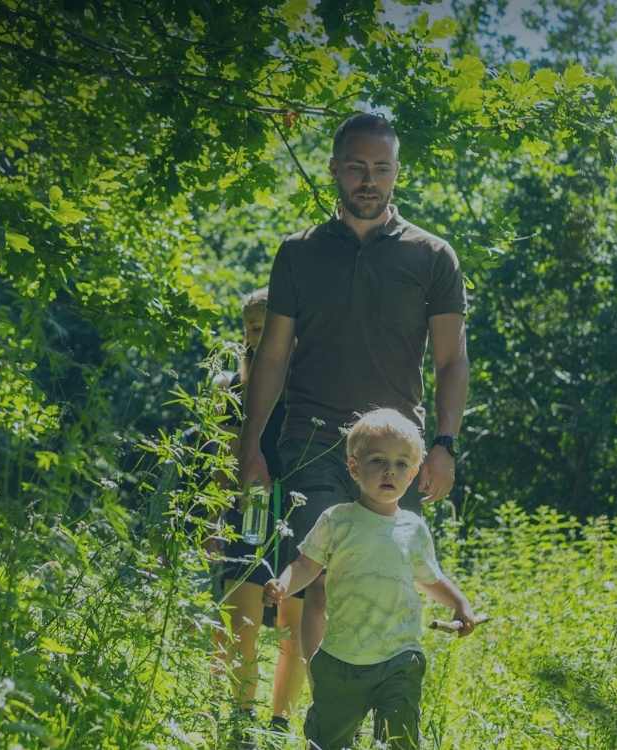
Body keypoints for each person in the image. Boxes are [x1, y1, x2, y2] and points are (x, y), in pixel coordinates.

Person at [238, 112, 471, 668]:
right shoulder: (298, 252)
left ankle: (375, 702)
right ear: (335, 170)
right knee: (319, 578)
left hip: (395, 448)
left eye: (382, 169)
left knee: (386, 582)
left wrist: (444, 443)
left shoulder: (432, 256)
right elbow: (271, 357)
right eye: (358, 168)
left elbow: (451, 358)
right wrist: (250, 448)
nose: (369, 180)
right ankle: (327, 713)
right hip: (312, 441)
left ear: (396, 174)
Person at [265, 409, 482, 750]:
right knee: (326, 742)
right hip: (341, 660)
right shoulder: (337, 520)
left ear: (412, 474)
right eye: (378, 460)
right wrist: (282, 584)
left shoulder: (413, 528)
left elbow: (429, 578)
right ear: (354, 467)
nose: (388, 471)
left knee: (400, 740)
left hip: (399, 657)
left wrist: (460, 603)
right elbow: (306, 565)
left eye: (399, 464)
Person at [209, 289, 308, 743]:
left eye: (269, 325)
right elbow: (224, 460)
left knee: (295, 618)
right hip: (249, 505)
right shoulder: (230, 387)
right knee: (240, 614)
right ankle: (240, 718)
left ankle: (280, 723)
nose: (259, 334)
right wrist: (215, 520)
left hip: (302, 505)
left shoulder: (311, 383)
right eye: (251, 326)